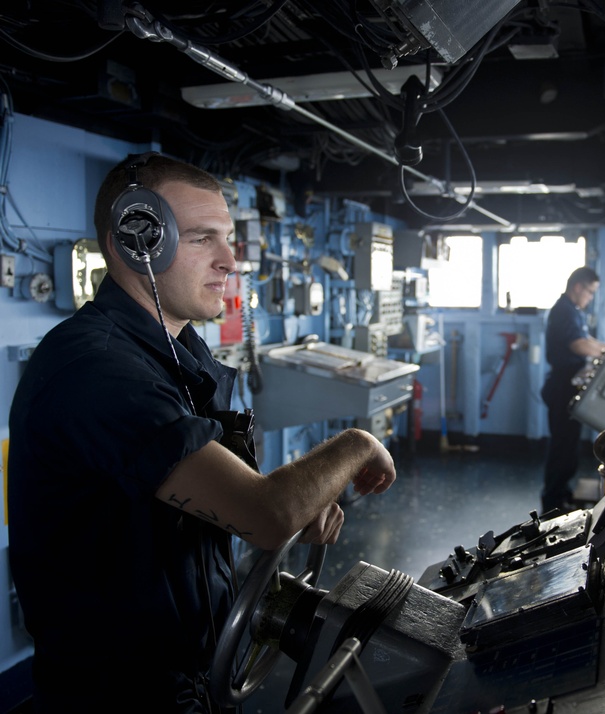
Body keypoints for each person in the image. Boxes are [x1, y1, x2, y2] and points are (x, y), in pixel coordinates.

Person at [7, 153, 396, 713]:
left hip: (195, 668)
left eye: (229, 238)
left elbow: (223, 495)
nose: (230, 261)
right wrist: (358, 442)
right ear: (136, 243)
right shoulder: (96, 371)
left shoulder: (175, 353)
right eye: (202, 239)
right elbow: (266, 515)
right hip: (119, 694)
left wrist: (300, 495)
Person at [540, 267, 605, 513]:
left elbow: (587, 339)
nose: (590, 297)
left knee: (568, 446)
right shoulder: (563, 311)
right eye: (590, 292)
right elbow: (579, 345)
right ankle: (552, 502)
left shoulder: (574, 311)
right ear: (578, 287)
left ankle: (562, 494)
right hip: (561, 387)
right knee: (561, 447)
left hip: (568, 386)